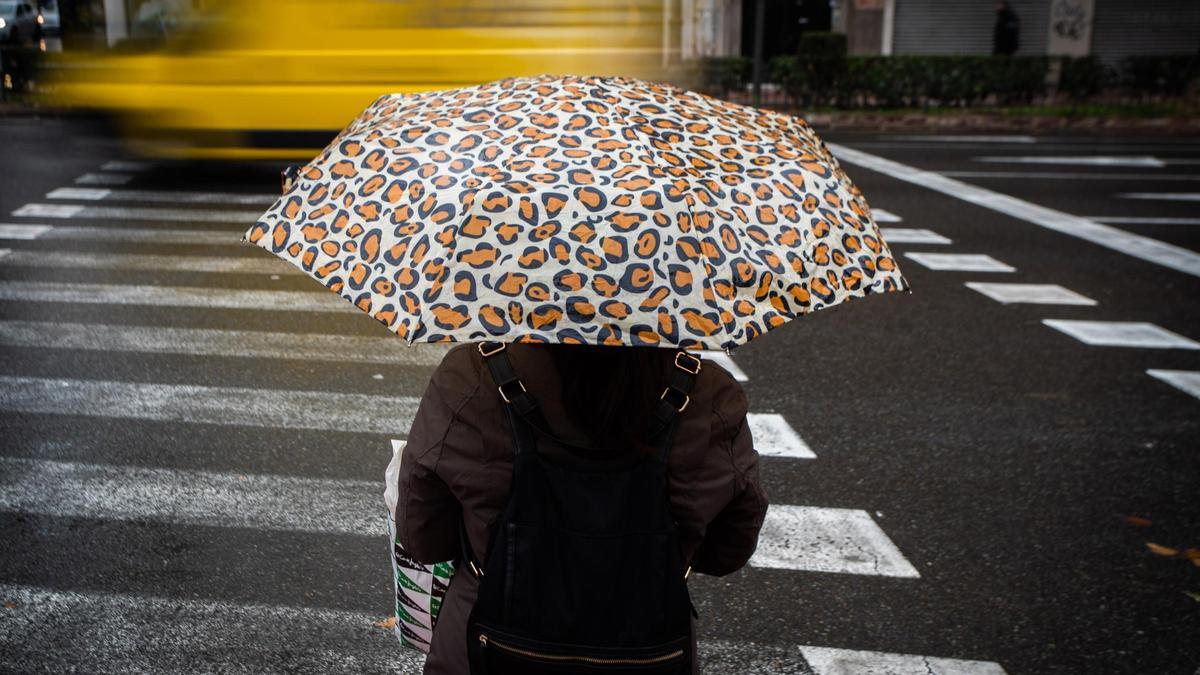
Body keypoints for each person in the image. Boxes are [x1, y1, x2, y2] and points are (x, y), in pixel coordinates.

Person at [395, 341, 769, 675]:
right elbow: (728, 550)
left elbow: (421, 536)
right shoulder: (708, 393)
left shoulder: (471, 375)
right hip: (650, 645)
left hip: (482, 642)